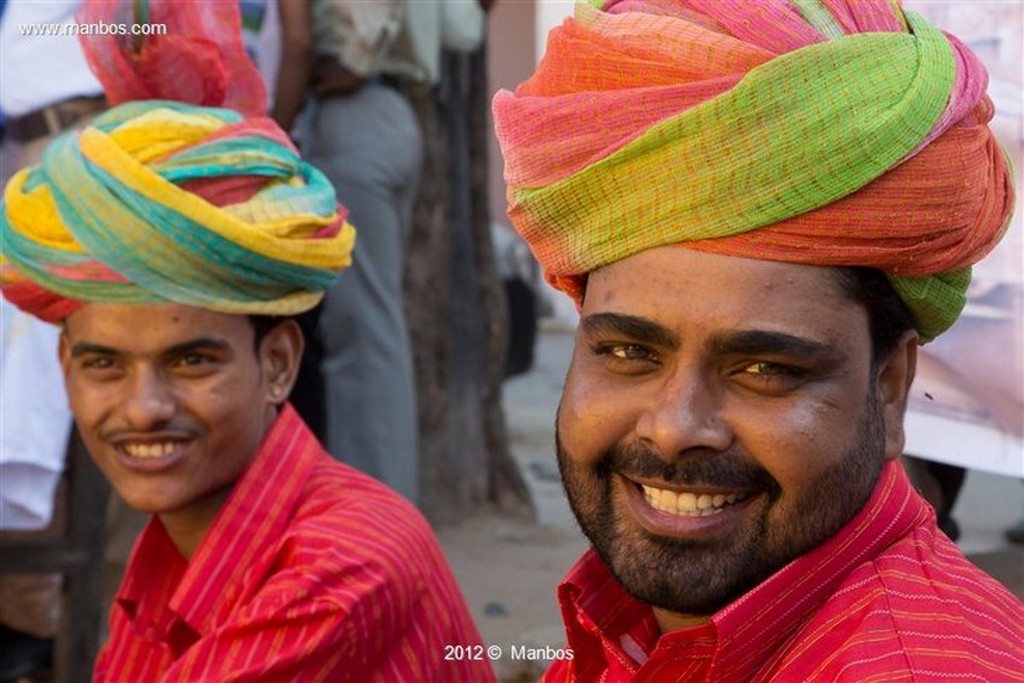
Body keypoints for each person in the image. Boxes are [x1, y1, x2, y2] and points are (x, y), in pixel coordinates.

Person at [493, 0, 1022, 680]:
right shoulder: (631, 625)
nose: (675, 427)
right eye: (629, 353)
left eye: (764, 368)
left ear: (889, 388)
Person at [0, 2, 493, 680]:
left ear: (280, 363)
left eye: (193, 360)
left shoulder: (341, 567)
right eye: (104, 364)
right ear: (66, 366)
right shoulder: (177, 537)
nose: (143, 406)